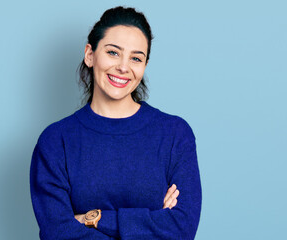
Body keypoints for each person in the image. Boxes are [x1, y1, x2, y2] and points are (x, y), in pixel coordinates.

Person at [30, 6, 202, 240]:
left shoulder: (174, 134)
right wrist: (151, 221)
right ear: (90, 54)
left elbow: (181, 228)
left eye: (136, 58)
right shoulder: (55, 141)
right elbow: (57, 232)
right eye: (113, 52)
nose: (123, 66)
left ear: (144, 66)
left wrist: (93, 218)